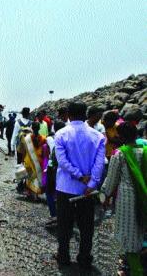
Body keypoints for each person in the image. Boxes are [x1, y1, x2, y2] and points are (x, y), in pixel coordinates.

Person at [54, 101, 106, 269]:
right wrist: (91, 182)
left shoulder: (61, 134)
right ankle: (84, 258)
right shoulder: (98, 136)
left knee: (64, 225)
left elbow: (62, 162)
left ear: (68, 114)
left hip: (65, 187)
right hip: (88, 191)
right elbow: (100, 164)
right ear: (85, 115)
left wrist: (78, 175)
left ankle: (63, 256)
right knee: (86, 226)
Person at [101, 122, 146, 276]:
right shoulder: (145, 150)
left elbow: (111, 180)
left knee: (130, 236)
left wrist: (105, 195)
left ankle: (136, 271)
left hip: (129, 199)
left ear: (121, 136)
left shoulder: (119, 154)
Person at [44, 120, 66, 226]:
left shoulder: (50, 138)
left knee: (49, 192)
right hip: (62, 169)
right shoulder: (67, 138)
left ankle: (54, 214)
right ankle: (62, 215)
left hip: (52, 167)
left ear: (54, 128)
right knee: (61, 192)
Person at [22, 121, 49, 200]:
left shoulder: (26, 138)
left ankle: (30, 193)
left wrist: (22, 161)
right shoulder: (44, 138)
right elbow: (45, 151)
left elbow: (23, 151)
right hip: (39, 160)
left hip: (29, 160)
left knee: (30, 177)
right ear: (39, 128)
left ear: (32, 128)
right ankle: (37, 193)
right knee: (37, 177)